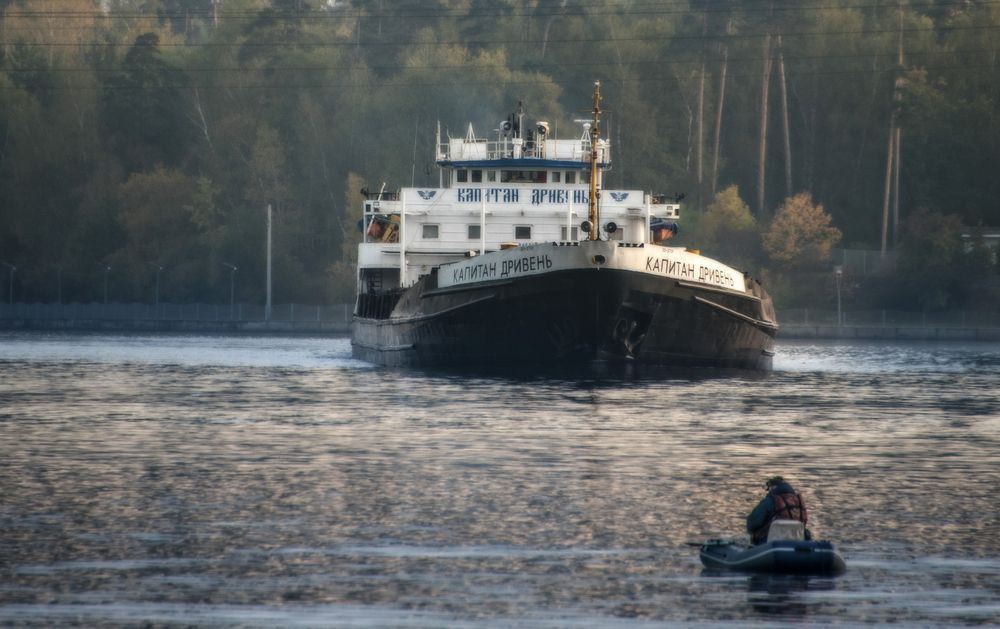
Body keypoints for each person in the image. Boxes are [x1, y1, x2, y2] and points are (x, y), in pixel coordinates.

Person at [746, 476, 810, 545]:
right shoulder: (799, 502)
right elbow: (805, 521)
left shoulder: (770, 501)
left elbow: (751, 523)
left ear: (772, 487)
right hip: (797, 541)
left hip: (769, 543)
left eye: (768, 489)